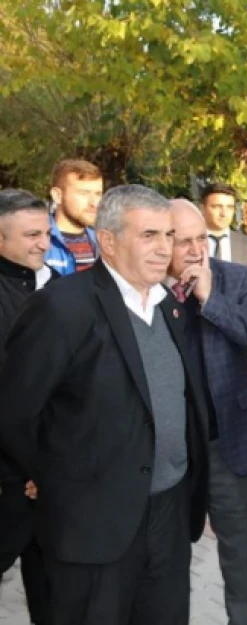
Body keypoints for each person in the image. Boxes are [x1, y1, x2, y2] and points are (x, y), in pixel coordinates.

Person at [0, 184, 210, 624]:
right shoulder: (62, 308)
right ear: (108, 241)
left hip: (167, 518)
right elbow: (14, 411)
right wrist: (49, 475)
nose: (163, 248)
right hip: (92, 526)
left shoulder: (169, 306)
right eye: (149, 235)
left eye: (168, 235)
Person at [167, 199, 247, 625]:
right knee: (165, 556)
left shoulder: (236, 279)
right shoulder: (147, 290)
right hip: (171, 452)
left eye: (202, 239)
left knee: (244, 559)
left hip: (233, 442)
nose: (197, 250)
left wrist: (210, 298)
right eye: (184, 241)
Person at [0, 189, 57, 625]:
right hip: (8, 478)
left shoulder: (62, 291)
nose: (44, 243)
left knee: (53, 595)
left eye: (47, 233)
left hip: (52, 480)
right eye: (32, 234)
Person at [199, 182, 247, 306]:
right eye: (216, 206)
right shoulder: (192, 243)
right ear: (203, 209)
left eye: (229, 207)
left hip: (237, 320)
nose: (224, 213)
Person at [45, 158, 103, 275]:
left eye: (98, 194)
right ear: (57, 196)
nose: (94, 203)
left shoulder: (103, 242)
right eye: (83, 193)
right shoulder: (38, 242)